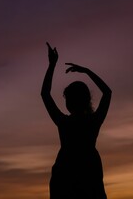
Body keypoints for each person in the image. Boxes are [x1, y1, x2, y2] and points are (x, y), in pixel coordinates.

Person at [41, 42, 112, 199]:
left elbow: (45, 94)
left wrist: (52, 65)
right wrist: (87, 72)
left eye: (69, 98)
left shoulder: (64, 122)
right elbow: (107, 93)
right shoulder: (93, 122)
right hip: (83, 174)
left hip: (65, 175)